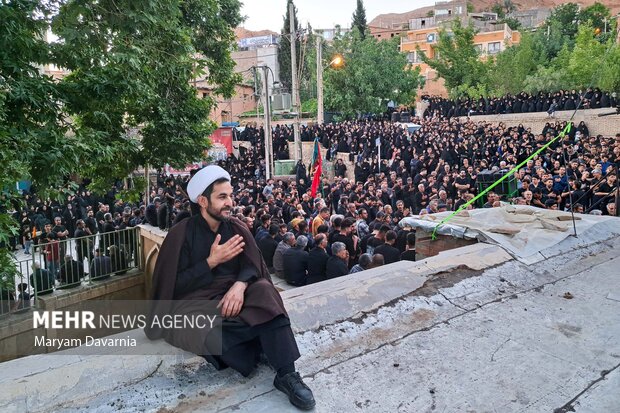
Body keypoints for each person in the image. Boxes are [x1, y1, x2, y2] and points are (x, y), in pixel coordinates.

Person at [144, 165, 315, 410]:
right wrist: (211, 262)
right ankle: (265, 339)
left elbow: (253, 265)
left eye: (230, 195)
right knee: (205, 333)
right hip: (197, 306)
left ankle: (287, 374)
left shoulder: (235, 227)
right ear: (203, 201)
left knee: (266, 292)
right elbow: (173, 285)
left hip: (236, 298)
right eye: (222, 197)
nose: (230, 202)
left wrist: (240, 284)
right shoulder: (180, 234)